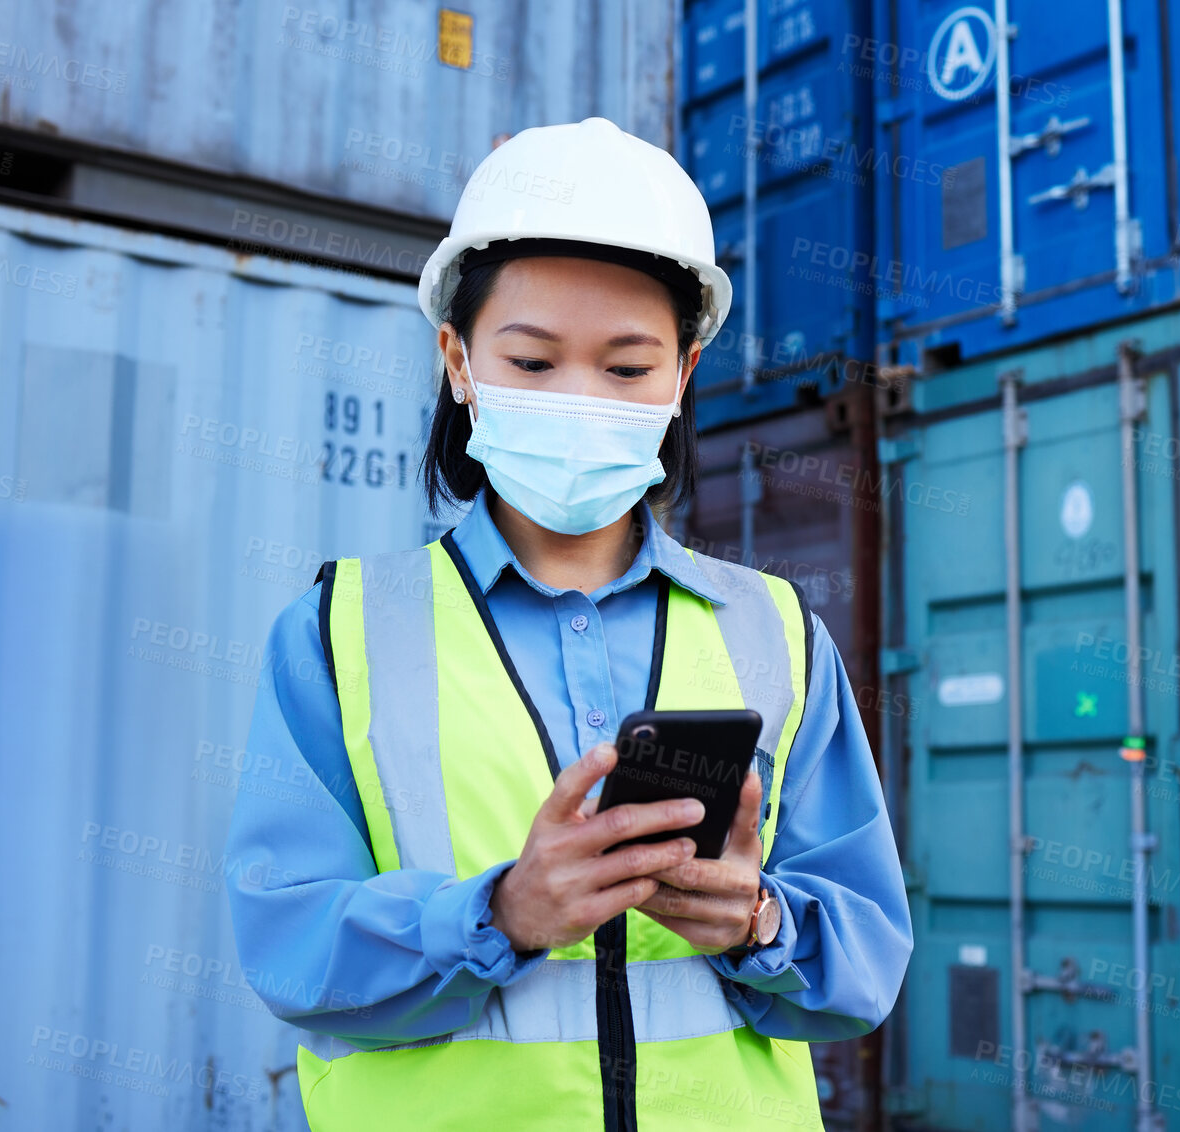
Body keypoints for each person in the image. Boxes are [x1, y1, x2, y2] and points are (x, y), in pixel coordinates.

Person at [225, 117, 912, 1131]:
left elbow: (865, 955)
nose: (581, 399)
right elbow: (286, 939)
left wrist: (757, 921)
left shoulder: (775, 632)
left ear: (681, 376)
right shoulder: (337, 634)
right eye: (534, 362)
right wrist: (501, 913)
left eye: (628, 369)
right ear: (458, 361)